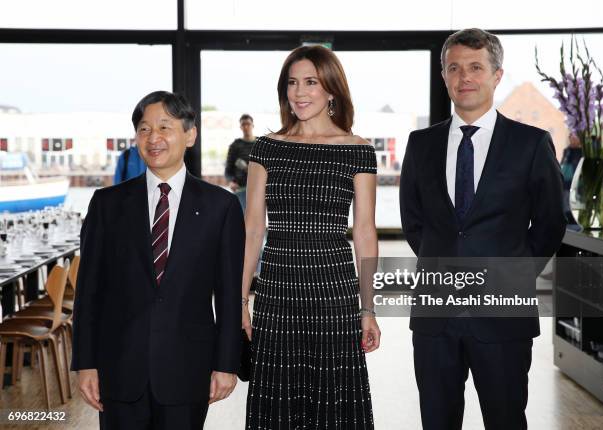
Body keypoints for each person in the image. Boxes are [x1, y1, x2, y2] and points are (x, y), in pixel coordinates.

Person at [399, 29, 566, 430]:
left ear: (497, 75)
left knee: (506, 418)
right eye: (454, 68)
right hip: (435, 314)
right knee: (437, 421)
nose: (464, 77)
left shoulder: (531, 143)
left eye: (476, 67)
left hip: (504, 313)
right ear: (443, 76)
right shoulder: (420, 143)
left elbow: (550, 223)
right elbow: (414, 222)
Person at [71, 91, 245, 430]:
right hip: (118, 369)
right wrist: (85, 363)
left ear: (190, 134)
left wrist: (227, 364)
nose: (154, 138)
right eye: (144, 129)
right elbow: (88, 291)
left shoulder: (220, 207)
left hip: (188, 369)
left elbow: (228, 295)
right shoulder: (107, 205)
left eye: (164, 127)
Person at [242, 45, 381, 429]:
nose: (299, 92)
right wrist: (241, 300)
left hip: (334, 290)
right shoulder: (266, 148)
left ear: (332, 90)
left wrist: (367, 309)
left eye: (310, 82)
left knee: (336, 400)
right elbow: (253, 230)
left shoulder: (358, 151)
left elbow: (365, 232)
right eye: (291, 83)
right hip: (277, 289)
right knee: (276, 400)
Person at [225, 114, 256, 211]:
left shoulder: (260, 144)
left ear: (253, 125)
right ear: (240, 127)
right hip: (241, 189)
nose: (246, 127)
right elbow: (228, 169)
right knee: (242, 220)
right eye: (243, 124)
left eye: (248, 124)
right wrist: (231, 182)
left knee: (257, 221)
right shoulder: (235, 145)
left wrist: (249, 169)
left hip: (258, 188)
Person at [560, 133, 582, 228]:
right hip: (565, 185)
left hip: (578, 185)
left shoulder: (583, 152)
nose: (572, 138)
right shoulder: (567, 151)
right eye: (571, 136)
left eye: (575, 136)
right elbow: (563, 166)